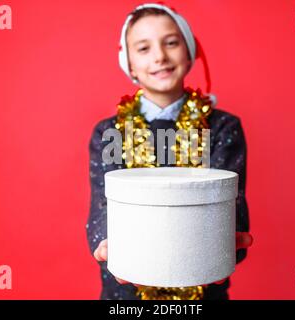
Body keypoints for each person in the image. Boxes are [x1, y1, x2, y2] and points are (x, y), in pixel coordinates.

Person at [86, 3, 253, 300]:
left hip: (202, 293)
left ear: (189, 52)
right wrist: (109, 245)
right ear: (130, 64)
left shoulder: (223, 127)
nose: (160, 56)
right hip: (126, 297)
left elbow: (230, 204)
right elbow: (104, 204)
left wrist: (225, 245)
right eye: (143, 48)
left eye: (171, 43)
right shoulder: (110, 132)